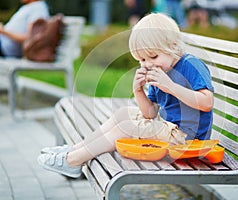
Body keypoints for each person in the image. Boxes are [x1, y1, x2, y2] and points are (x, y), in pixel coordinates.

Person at [37, 13, 214, 178]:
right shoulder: (158, 72)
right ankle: (75, 150)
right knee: (123, 113)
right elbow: (150, 114)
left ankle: (73, 161)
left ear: (173, 47)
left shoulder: (190, 65)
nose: (148, 64)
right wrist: (138, 91)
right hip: (168, 129)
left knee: (125, 127)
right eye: (142, 60)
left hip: (188, 139)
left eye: (153, 56)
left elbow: (207, 103)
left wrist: (171, 87)